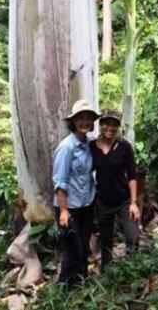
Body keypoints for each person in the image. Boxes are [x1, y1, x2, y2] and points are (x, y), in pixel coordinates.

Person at [52, 100, 101, 285]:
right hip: (69, 208)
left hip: (86, 205)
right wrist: (64, 211)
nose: (85, 122)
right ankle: (62, 291)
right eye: (80, 118)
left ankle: (81, 284)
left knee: (84, 248)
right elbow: (59, 181)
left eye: (88, 118)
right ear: (73, 121)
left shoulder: (89, 144)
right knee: (74, 251)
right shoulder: (67, 147)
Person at [90, 109, 141, 271]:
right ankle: (107, 274)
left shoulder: (124, 147)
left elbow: (132, 175)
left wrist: (134, 202)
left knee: (132, 236)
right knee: (106, 241)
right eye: (107, 124)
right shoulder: (91, 147)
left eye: (114, 124)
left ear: (118, 126)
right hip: (103, 202)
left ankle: (133, 270)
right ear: (101, 125)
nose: (110, 128)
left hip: (124, 200)